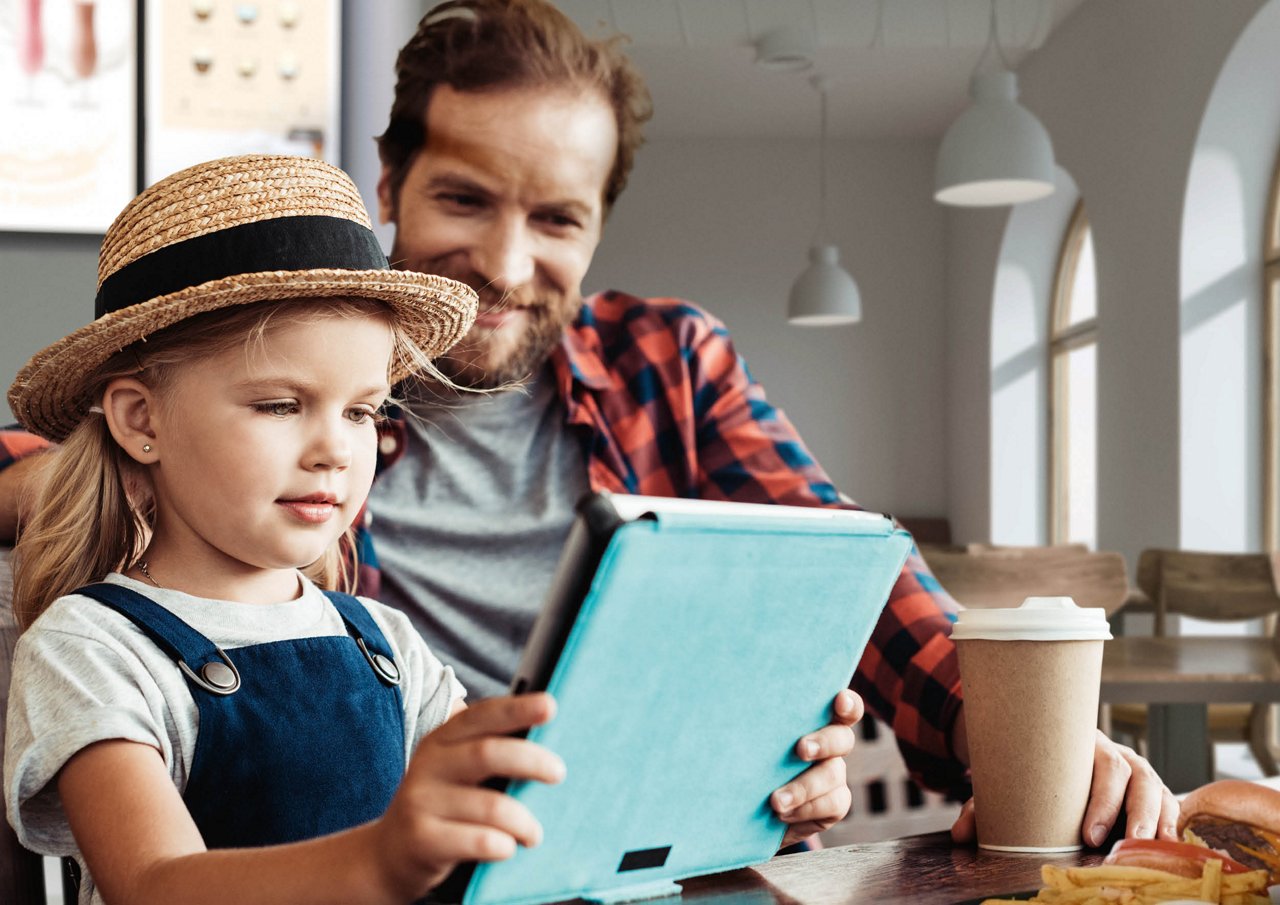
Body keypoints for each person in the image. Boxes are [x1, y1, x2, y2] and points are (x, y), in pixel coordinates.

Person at [2, 0, 1177, 847]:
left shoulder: (668, 359)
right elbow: (133, 462)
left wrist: (1010, 742)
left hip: (619, 851)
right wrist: (54, 485)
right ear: (389, 181)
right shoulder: (288, 379)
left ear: (598, 227)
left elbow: (852, 568)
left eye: (555, 217)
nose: (508, 263)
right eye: (463, 197)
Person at [2, 154, 566, 905]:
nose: (335, 447)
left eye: (363, 411)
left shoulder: (390, 645)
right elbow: (152, 883)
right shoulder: (91, 648)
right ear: (141, 419)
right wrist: (378, 862)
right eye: (280, 404)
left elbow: (517, 826)